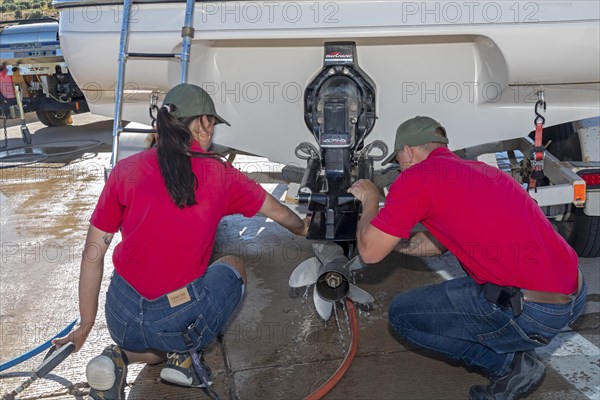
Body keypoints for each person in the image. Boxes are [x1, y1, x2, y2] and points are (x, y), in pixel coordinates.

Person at [53, 83, 308, 399]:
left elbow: (93, 254)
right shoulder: (221, 174)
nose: (212, 130)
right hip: (178, 318)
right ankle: (185, 354)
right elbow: (282, 214)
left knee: (158, 338)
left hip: (121, 315)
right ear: (202, 122)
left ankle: (118, 357)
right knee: (233, 265)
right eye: (212, 122)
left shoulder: (125, 171)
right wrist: (303, 228)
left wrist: (85, 325)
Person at [347, 116, 586, 400]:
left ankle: (511, 365)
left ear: (409, 151)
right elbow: (435, 246)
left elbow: (369, 252)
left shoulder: (418, 177)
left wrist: (370, 199)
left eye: (398, 158)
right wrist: (391, 237)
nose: (399, 166)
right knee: (465, 291)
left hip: (536, 310)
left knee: (403, 316)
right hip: (573, 294)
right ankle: (513, 343)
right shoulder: (478, 170)